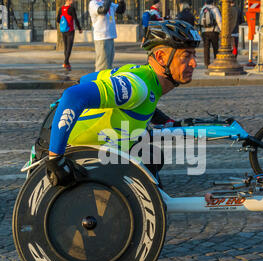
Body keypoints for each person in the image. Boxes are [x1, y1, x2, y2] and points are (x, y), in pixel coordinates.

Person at [43, 20, 200, 188]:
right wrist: (55, 160)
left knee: (152, 157)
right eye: (186, 56)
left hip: (76, 137)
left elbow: (86, 80)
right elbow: (72, 96)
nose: (194, 63)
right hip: (59, 146)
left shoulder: (145, 77)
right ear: (161, 57)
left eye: (194, 55)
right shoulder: (137, 86)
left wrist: (168, 122)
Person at [89, 0, 126, 72]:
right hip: (102, 36)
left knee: (108, 64)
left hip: (110, 36)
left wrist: (121, 2)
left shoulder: (108, 2)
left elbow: (120, 10)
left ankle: (105, 79)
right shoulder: (94, 3)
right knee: (102, 65)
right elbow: (102, 11)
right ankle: (99, 81)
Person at [57, 0, 83, 71]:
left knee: (66, 47)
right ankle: (65, 62)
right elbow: (76, 19)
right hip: (70, 30)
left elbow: (58, 20)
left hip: (63, 30)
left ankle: (67, 63)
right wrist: (80, 28)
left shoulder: (61, 9)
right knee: (69, 47)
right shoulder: (71, 9)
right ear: (68, 0)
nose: (73, 1)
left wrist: (63, 22)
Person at [199, 0, 222, 68]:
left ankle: (207, 63)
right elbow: (219, 20)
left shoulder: (202, 9)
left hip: (204, 31)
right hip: (213, 31)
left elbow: (200, 20)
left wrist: (200, 30)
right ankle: (216, 61)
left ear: (205, 2)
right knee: (215, 47)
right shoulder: (215, 9)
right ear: (213, 2)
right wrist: (222, 30)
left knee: (206, 48)